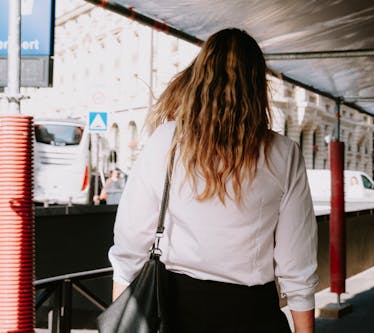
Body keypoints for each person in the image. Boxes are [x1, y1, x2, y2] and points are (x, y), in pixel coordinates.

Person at [108, 28, 318, 333]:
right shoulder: (283, 153)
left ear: (200, 76)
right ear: (258, 83)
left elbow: (129, 250)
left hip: (178, 315)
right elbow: (297, 265)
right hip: (254, 316)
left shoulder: (168, 140)